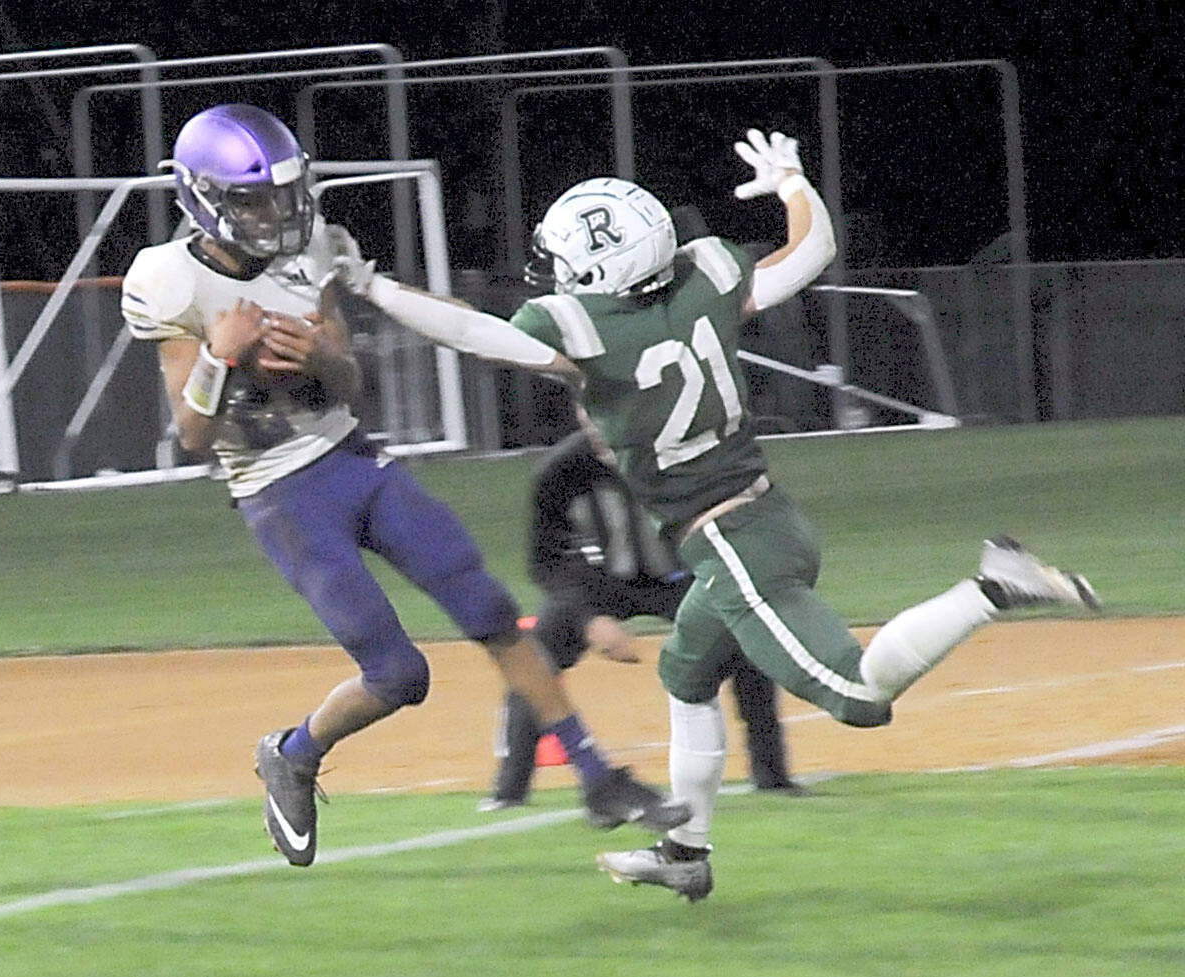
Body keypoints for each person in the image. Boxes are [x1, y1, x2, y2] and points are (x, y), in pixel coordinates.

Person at [330, 126, 1101, 900]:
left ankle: (991, 584)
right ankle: (685, 850)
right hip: (764, 514)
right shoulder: (706, 271)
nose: (558, 275)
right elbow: (809, 253)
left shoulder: (584, 328)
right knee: (687, 671)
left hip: (729, 540)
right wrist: (793, 182)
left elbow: (470, 331)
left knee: (861, 697)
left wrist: (372, 284)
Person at [119, 103, 690, 868]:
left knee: (488, 607)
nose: (278, 213)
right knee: (398, 674)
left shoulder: (313, 249)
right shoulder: (166, 279)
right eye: (255, 199)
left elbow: (352, 380)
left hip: (351, 456)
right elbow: (192, 436)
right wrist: (223, 357)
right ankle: (291, 753)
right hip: (278, 492)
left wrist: (320, 356)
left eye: (286, 194)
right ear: (205, 199)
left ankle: (597, 777)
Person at [479, 424, 800, 811]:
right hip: (596, 583)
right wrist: (588, 617)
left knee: (744, 635)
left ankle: (772, 775)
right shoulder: (560, 470)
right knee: (534, 654)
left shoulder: (681, 458)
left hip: (679, 574)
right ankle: (509, 790)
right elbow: (544, 562)